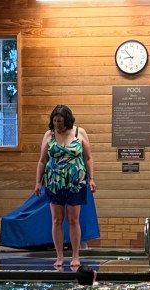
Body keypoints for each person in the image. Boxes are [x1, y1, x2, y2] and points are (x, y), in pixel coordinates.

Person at [35, 105, 96, 271]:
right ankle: (60, 256)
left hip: (76, 181)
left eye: (60, 121)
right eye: (54, 121)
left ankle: (75, 255)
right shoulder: (49, 135)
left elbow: (88, 158)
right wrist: (38, 182)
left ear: (67, 120)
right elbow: (42, 161)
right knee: (56, 219)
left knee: (73, 219)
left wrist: (92, 179)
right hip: (55, 182)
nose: (56, 124)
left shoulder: (79, 133)